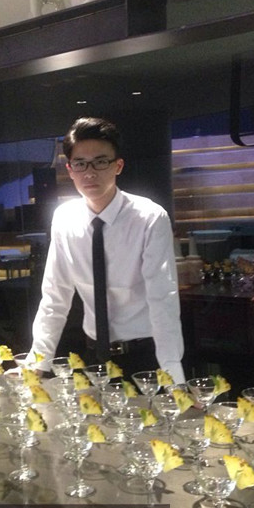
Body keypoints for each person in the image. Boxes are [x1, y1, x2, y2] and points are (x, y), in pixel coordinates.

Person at [30, 117, 185, 384]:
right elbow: (55, 296)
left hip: (145, 357)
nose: (89, 173)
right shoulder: (65, 218)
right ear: (70, 170)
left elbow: (163, 298)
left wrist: (174, 378)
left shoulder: (149, 217)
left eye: (100, 162)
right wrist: (37, 362)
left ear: (118, 166)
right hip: (93, 356)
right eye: (80, 163)